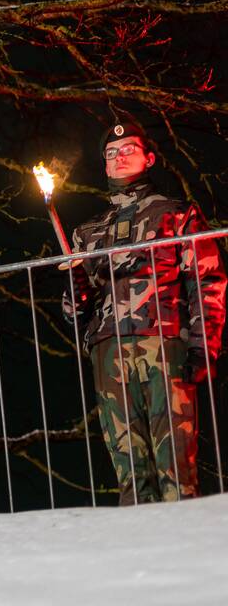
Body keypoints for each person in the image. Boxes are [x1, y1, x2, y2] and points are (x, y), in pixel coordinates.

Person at [63, 122, 226, 504]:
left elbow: (207, 281)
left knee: (176, 466)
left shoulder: (176, 214)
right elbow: (74, 312)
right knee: (129, 472)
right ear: (103, 167)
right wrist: (76, 293)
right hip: (109, 351)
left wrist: (205, 346)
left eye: (128, 149)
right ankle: (137, 554)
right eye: (110, 153)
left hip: (165, 343)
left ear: (148, 158)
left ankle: (185, 551)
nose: (119, 157)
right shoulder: (87, 232)